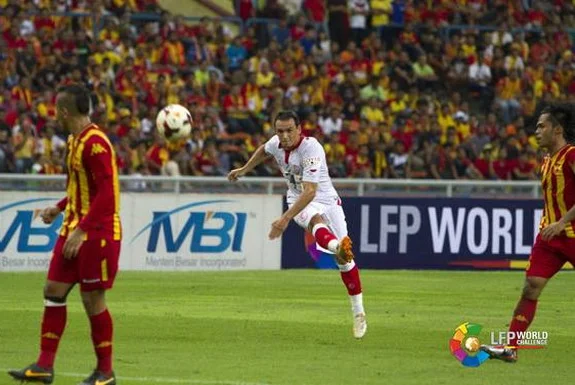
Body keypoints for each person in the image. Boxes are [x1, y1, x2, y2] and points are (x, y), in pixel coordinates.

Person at [8, 84, 122, 385]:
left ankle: (105, 372)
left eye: (55, 110)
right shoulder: (75, 141)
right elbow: (80, 189)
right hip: (73, 227)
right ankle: (44, 366)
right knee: (53, 291)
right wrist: (59, 208)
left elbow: (107, 195)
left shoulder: (95, 143)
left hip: (97, 233)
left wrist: (82, 230)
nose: (53, 115)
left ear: (64, 111)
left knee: (93, 300)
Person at [227, 110, 367, 338]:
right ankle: (336, 247)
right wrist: (244, 169)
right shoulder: (276, 143)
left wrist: (284, 219)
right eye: (279, 131)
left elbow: (311, 191)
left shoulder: (311, 149)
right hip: (297, 199)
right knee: (314, 221)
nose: (284, 136)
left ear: (299, 129)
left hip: (325, 199)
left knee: (346, 261)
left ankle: (359, 312)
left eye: (289, 130)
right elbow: (264, 150)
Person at [481, 104, 575, 362]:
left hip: (572, 233)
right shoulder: (545, 162)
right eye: (536, 126)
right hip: (550, 237)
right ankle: (511, 349)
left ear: (557, 129)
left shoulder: (571, 155)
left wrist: (563, 221)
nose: (536, 131)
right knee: (531, 287)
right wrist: (553, 224)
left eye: (541, 126)